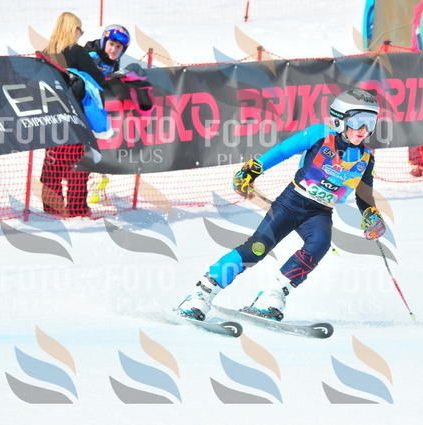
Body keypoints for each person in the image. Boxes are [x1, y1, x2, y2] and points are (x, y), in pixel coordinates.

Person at [177, 89, 388, 322]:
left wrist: (371, 215)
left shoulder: (366, 158)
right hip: (292, 203)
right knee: (256, 249)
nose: (363, 129)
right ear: (339, 119)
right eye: (358, 121)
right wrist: (252, 170)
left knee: (319, 246)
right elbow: (282, 151)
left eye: (370, 122)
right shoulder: (320, 134)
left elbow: (364, 194)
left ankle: (272, 296)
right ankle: (202, 293)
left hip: (320, 212)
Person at [39, 15, 129, 217]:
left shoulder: (46, 52)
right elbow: (98, 79)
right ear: (73, 29)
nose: (81, 33)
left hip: (51, 115)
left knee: (52, 164)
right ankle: (77, 209)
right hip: (75, 116)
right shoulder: (77, 51)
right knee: (77, 164)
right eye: (80, 29)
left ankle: (52, 210)